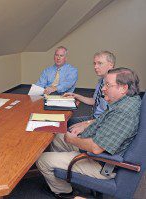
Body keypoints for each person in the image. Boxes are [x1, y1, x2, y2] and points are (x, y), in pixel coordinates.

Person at [36, 67, 141, 199]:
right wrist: (86, 124)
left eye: (108, 85)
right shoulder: (128, 101)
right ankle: (63, 171)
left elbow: (96, 148)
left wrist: (72, 139)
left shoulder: (123, 112)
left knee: (43, 160)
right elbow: (107, 121)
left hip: (102, 163)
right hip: (96, 146)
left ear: (123, 88)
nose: (103, 88)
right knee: (56, 137)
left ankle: (65, 192)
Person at [64, 51, 116, 133]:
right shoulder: (101, 81)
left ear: (111, 65)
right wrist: (75, 95)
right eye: (94, 63)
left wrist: (87, 123)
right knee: (65, 122)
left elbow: (110, 117)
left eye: (100, 63)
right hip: (93, 117)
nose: (95, 67)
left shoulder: (114, 86)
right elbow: (94, 101)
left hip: (101, 122)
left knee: (66, 130)